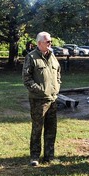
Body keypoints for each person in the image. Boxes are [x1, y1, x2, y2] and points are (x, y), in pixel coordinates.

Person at [22, 31, 61, 166]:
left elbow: (58, 74)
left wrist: (56, 88)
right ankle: (35, 157)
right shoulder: (31, 57)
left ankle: (49, 156)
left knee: (51, 129)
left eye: (50, 41)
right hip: (38, 100)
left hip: (52, 99)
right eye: (48, 42)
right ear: (39, 43)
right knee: (37, 129)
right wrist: (41, 91)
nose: (50, 44)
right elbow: (27, 80)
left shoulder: (52, 56)